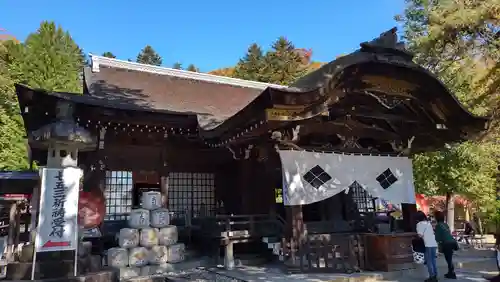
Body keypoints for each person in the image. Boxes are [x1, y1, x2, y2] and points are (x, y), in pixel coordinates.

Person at [416, 211, 438, 282]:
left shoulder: (419, 224)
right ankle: (435, 275)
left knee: (429, 261)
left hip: (427, 244)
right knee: (433, 260)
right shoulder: (429, 223)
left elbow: (420, 235)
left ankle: (432, 277)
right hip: (434, 243)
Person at [434, 211, 457, 279]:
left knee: (448, 259)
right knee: (449, 258)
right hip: (452, 242)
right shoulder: (445, 224)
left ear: (436, 218)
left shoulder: (438, 225)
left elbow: (437, 238)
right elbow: (448, 233)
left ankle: (452, 273)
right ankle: (451, 272)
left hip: (446, 244)